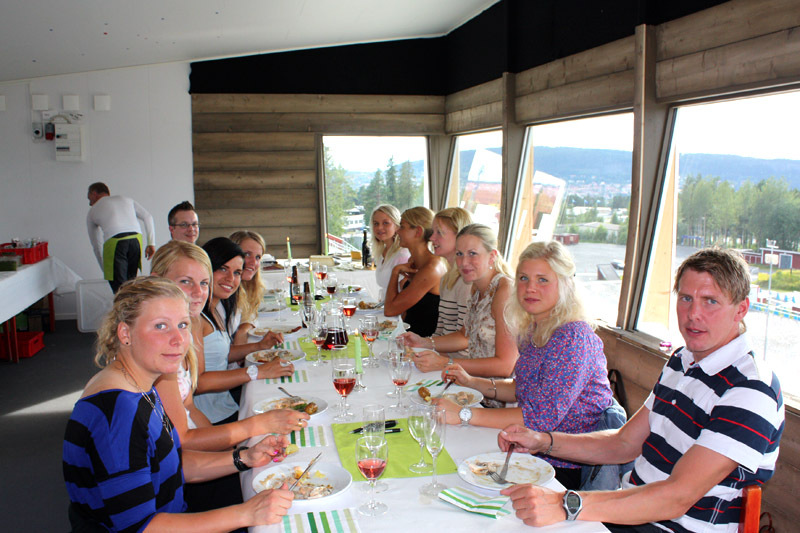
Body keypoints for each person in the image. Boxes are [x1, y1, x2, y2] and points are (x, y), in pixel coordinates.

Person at [497, 248, 784, 532]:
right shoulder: (681, 362)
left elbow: (676, 497)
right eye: (686, 298)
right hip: (629, 513)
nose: (693, 314)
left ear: (741, 309)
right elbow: (623, 443)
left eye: (710, 301)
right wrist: (542, 440)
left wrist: (567, 503)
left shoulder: (751, 390)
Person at [63, 276, 294, 532]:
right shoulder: (119, 411)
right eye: (160, 326)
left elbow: (170, 464)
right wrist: (246, 514)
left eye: (183, 325)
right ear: (125, 333)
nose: (178, 340)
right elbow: (141, 528)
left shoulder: (136, 382)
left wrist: (244, 457)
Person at [435, 240, 614, 489]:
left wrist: (464, 415)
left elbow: (539, 418)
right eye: (523, 278)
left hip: (563, 468)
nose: (530, 288)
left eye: (542, 280)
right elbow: (524, 389)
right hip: (527, 451)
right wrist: (472, 381)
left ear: (565, 284)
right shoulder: (535, 327)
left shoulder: (574, 337)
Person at [150, 241, 307, 513]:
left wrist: (236, 448)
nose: (198, 292)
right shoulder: (159, 353)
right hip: (167, 485)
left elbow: (189, 409)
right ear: (157, 282)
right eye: (186, 282)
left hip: (188, 458)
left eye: (202, 282)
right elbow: (183, 438)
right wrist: (253, 428)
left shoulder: (184, 332)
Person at [402, 224, 518, 393]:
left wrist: (444, 363)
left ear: (492, 256)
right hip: (473, 387)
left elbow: (506, 366)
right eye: (459, 254)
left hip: (497, 396)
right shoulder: (476, 287)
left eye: (472, 254)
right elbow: (465, 335)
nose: (464, 262)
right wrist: (424, 342)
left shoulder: (504, 291)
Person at [194, 237, 287, 425]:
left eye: (237, 272)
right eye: (222, 269)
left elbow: (220, 354)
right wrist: (256, 371)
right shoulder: (196, 318)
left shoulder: (216, 308)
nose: (231, 279)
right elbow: (198, 383)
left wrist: (260, 346)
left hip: (225, 406)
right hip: (209, 418)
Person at [383, 206, 446, 337]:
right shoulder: (415, 261)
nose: (397, 232)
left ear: (418, 232)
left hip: (424, 344)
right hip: (409, 336)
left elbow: (390, 310)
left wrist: (395, 272)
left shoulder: (432, 268)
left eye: (402, 226)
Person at [86, 182, 156, 292]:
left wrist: (105, 269)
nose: (90, 203)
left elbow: (96, 244)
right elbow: (148, 217)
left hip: (115, 243)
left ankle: (125, 308)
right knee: (131, 285)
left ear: (94, 193)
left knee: (120, 290)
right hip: (136, 240)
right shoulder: (125, 199)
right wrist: (151, 243)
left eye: (89, 198)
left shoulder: (92, 212)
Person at [229, 230, 268, 342]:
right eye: (247, 254)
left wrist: (245, 326)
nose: (253, 262)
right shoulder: (224, 292)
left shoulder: (247, 287)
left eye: (258, 257)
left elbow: (249, 316)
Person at [370, 205, 411, 298]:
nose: (379, 227)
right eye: (376, 223)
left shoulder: (402, 255)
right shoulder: (383, 252)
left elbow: (405, 293)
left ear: (397, 226)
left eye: (385, 223)